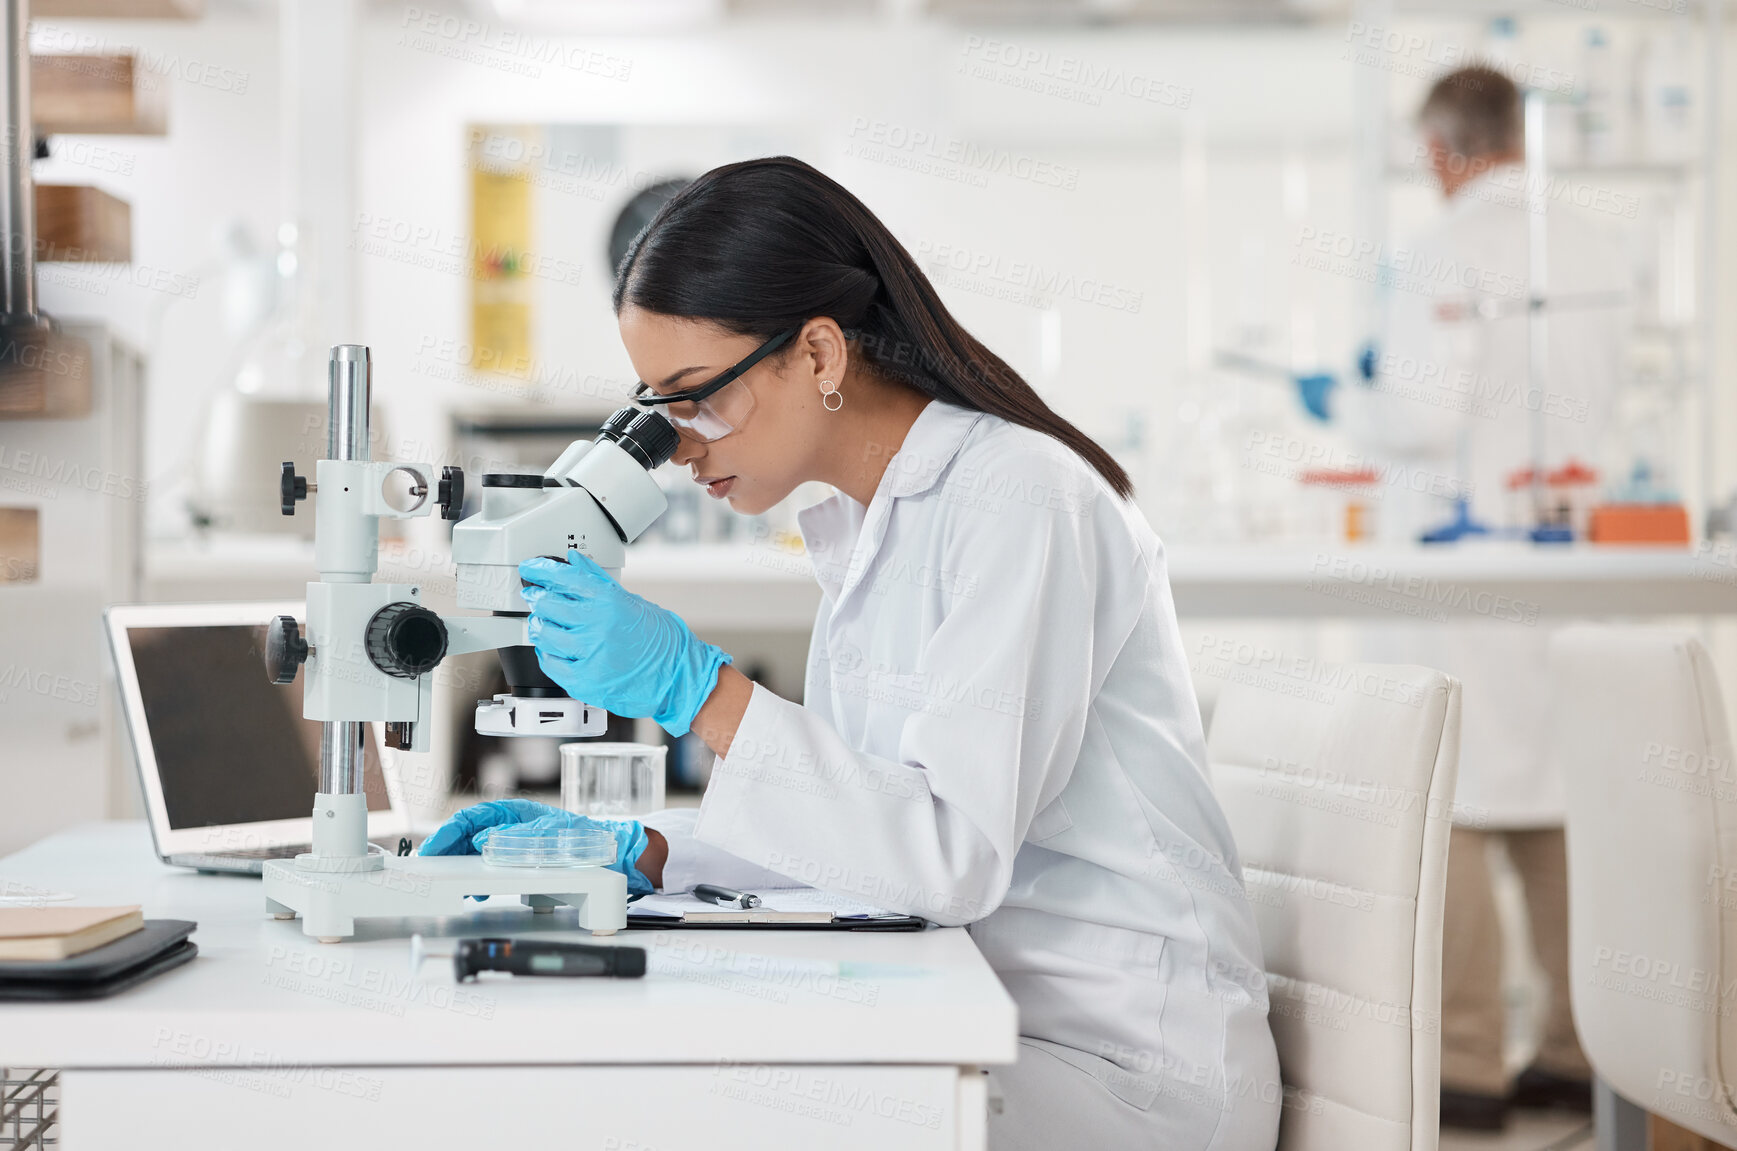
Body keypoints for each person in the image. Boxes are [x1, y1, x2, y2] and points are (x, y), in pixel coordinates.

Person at [420, 156, 1282, 1151]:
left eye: (695, 396)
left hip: (1121, 1063)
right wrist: (641, 851)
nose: (680, 443)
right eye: (654, 406)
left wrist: (700, 692)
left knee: (697, 1109)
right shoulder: (865, 526)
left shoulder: (1023, 498)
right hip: (972, 1004)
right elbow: (865, 835)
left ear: (819, 354)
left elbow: (948, 856)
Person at [1294, 67, 1629, 1130]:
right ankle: (1584, 1048)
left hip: (1466, 557)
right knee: (1561, 794)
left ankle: (1473, 1061)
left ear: (1441, 151)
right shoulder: (1590, 236)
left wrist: (1350, 393)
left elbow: (1424, 414)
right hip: (1569, 542)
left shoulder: (1441, 244)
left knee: (1462, 795)